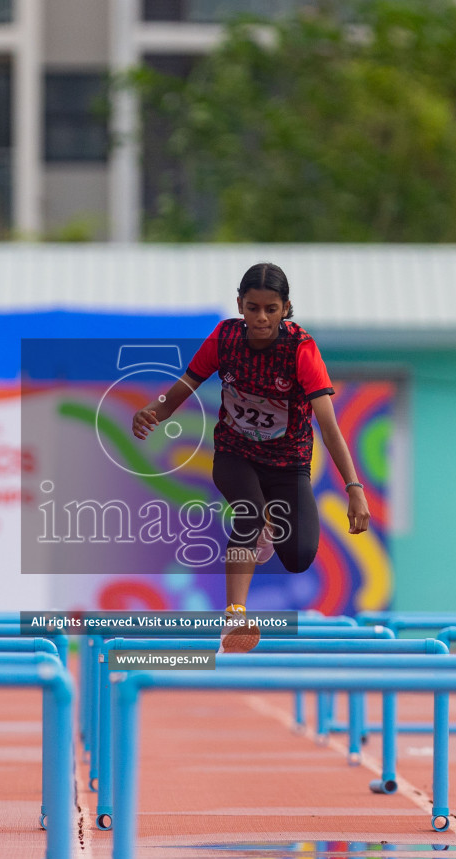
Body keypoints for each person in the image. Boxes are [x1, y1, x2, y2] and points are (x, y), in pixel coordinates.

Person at [132, 263, 370, 651]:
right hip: (235, 453)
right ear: (240, 305)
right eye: (253, 307)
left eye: (270, 309)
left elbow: (328, 426)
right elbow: (185, 385)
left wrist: (354, 488)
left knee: (298, 557)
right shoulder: (225, 338)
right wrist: (155, 411)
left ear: (285, 309)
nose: (261, 318)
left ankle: (269, 525)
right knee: (250, 514)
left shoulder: (300, 350)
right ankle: (235, 616)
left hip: (288, 461)